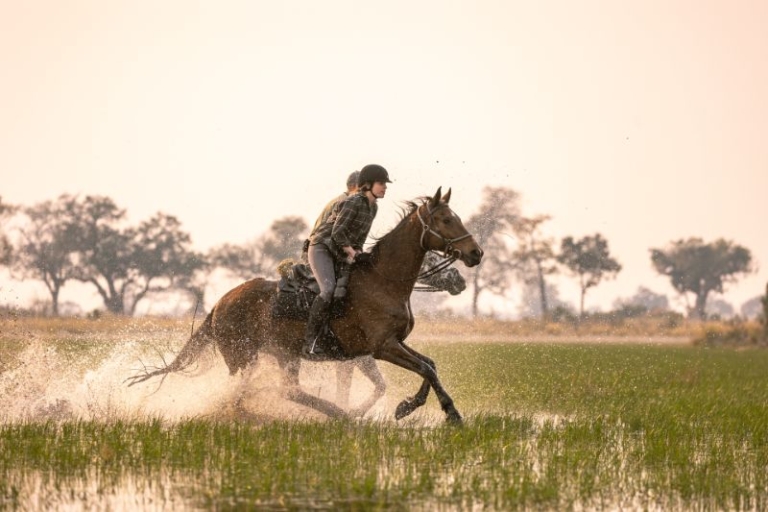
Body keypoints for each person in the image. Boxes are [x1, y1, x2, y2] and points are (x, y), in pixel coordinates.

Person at [303, 164, 392, 357]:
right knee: (328, 290)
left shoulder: (373, 207)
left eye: (385, 184)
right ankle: (310, 342)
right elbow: (337, 233)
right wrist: (352, 252)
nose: (385, 187)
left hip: (340, 252)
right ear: (367, 185)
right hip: (322, 248)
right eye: (381, 183)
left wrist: (358, 253)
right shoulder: (354, 202)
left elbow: (360, 238)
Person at [301, 170, 359, 262]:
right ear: (352, 186)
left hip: (318, 246)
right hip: (321, 249)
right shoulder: (345, 202)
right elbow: (338, 234)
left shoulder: (343, 200)